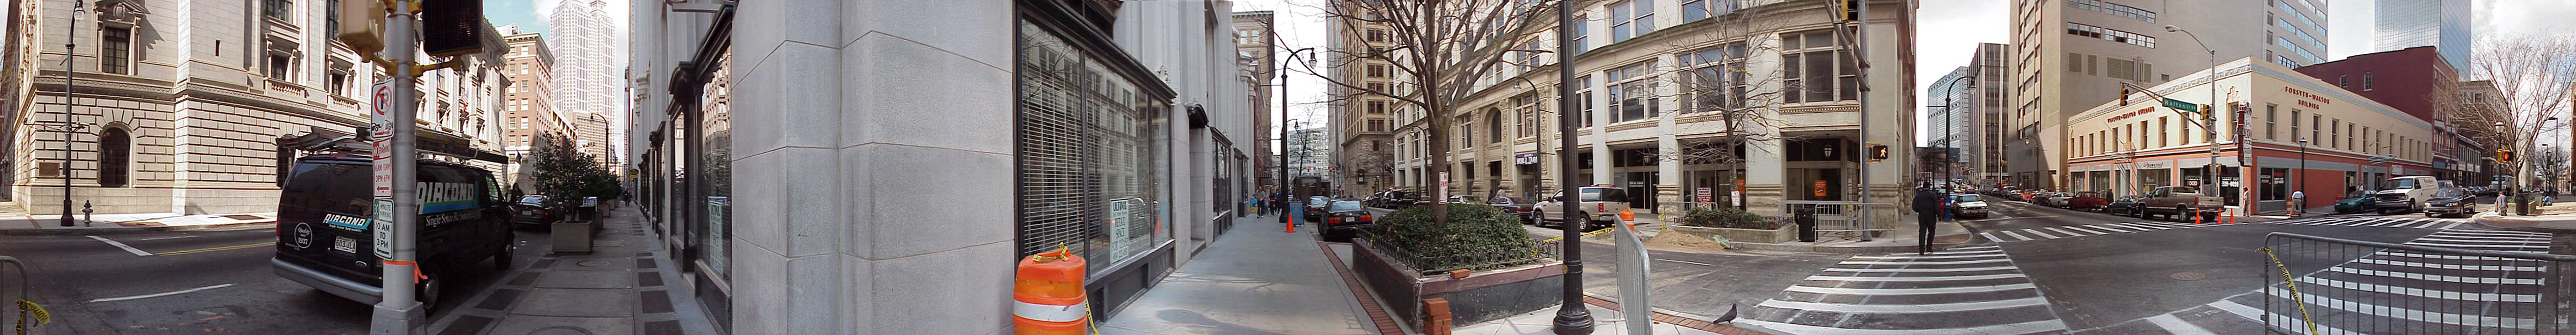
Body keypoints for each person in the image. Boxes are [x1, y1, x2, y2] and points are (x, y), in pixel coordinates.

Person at [1912, 185, 1944, 255]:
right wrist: (1939, 215)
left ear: (1923, 187)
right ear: (1929, 187)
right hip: (1931, 215)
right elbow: (1936, 206)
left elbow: (1914, 206)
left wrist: (1919, 211)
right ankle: (1929, 247)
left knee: (1922, 232)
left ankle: (1921, 249)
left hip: (1922, 215)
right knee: (1931, 231)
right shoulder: (1933, 195)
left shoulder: (1919, 195)